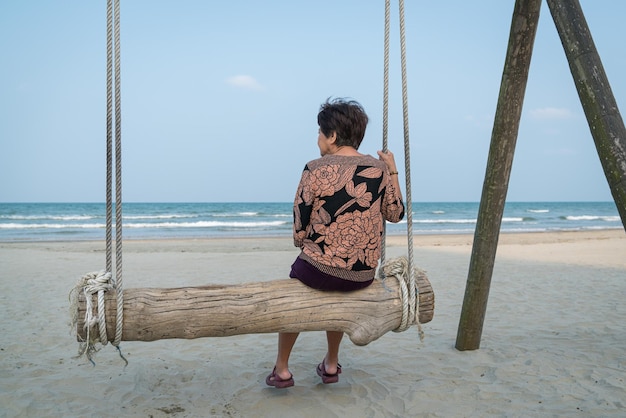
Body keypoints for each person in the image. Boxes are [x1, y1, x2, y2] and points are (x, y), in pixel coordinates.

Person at [266, 98, 405, 388]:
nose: (317, 138)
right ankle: (330, 364)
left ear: (332, 136)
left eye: (320, 132)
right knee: (339, 294)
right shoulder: (378, 170)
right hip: (361, 276)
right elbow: (396, 213)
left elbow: (300, 219)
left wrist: (305, 244)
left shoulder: (315, 168)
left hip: (318, 270)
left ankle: (281, 370)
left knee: (294, 296)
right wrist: (392, 170)